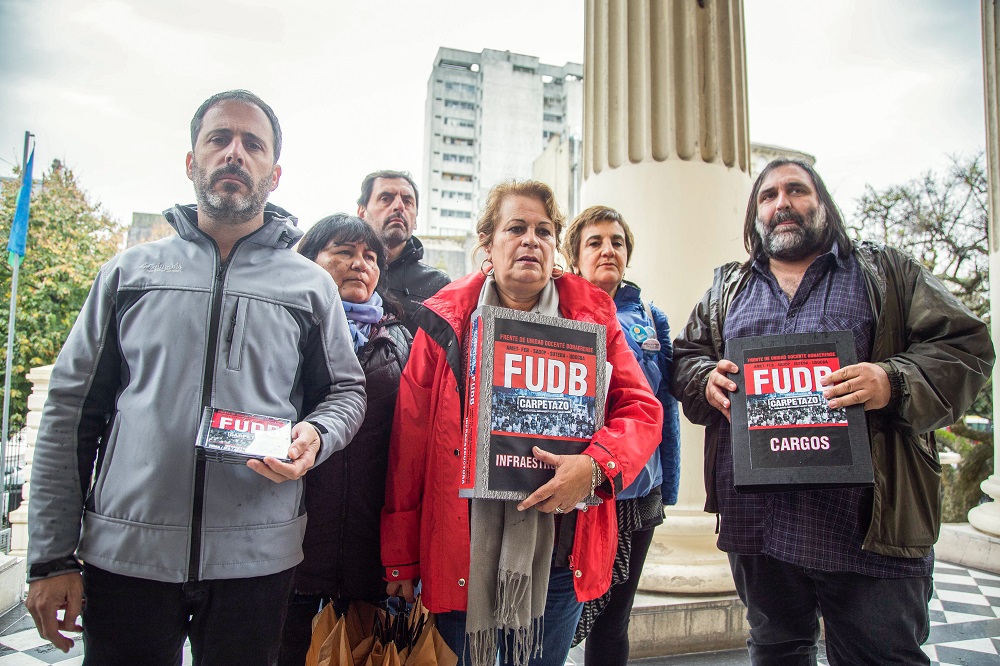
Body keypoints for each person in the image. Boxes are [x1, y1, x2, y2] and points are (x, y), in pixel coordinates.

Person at [24, 90, 367, 665]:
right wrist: (52, 558)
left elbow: (345, 392)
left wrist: (317, 434)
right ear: (191, 161)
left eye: (252, 144)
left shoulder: (311, 286)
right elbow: (70, 410)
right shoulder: (129, 273)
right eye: (219, 139)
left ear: (274, 174)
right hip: (126, 556)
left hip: (257, 560)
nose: (234, 153)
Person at [671, 158, 994, 665]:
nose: (782, 203)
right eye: (768, 195)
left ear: (823, 203)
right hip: (759, 528)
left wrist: (893, 380)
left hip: (868, 529)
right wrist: (702, 379)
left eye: (796, 190)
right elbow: (686, 356)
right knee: (776, 652)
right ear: (756, 214)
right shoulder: (727, 289)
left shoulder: (885, 272)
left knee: (881, 657)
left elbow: (966, 345)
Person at [381, 180, 664, 666]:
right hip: (460, 551)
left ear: (556, 246)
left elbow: (640, 409)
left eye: (544, 229)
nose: (531, 239)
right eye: (516, 228)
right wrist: (401, 559)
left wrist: (595, 466)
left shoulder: (595, 317)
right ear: (488, 243)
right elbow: (411, 444)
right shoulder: (446, 322)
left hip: (558, 557)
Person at [278, 214, 411, 665]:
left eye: (370, 257)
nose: (360, 264)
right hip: (290, 547)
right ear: (310, 259)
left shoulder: (398, 339)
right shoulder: (282, 327)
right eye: (344, 252)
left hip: (368, 550)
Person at [561, 206, 681, 665]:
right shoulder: (557, 309)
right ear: (575, 255)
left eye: (617, 242)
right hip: (581, 488)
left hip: (638, 490)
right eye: (594, 242)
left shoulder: (652, 317)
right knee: (564, 610)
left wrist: (668, 486)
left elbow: (663, 408)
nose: (608, 250)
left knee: (615, 621)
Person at [357, 170, 451, 334]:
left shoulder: (437, 285)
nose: (399, 206)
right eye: (386, 199)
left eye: (408, 202)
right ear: (362, 212)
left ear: (415, 220)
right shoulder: (345, 270)